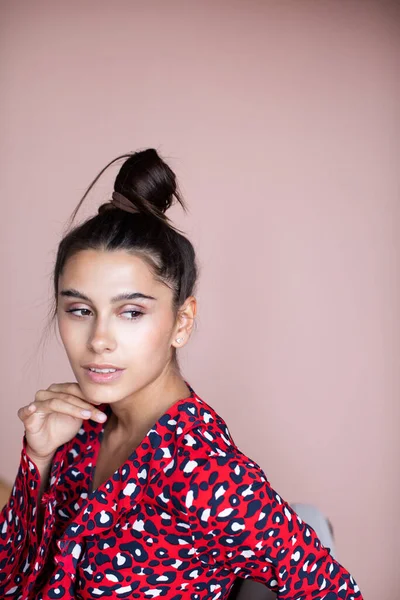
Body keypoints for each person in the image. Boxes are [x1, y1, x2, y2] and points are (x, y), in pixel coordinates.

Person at [0, 149, 363, 599]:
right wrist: (38, 460)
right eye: (79, 309)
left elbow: (333, 590)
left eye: (131, 312)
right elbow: (15, 582)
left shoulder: (208, 473)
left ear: (182, 322)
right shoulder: (81, 427)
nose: (98, 339)